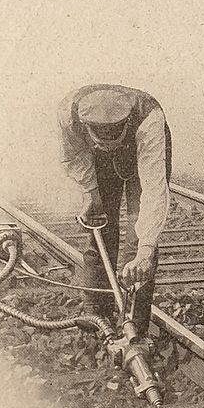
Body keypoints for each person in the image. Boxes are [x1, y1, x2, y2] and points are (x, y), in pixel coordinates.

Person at [57, 84, 172, 336]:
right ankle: (96, 314)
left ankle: (134, 324)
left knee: (137, 237)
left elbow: (153, 191)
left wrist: (145, 251)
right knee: (100, 227)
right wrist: (91, 194)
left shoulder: (148, 119)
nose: (110, 147)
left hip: (139, 151)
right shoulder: (69, 116)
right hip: (92, 157)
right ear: (86, 127)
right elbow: (73, 157)